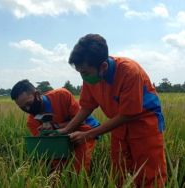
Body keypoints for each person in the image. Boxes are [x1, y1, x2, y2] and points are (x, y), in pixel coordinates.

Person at [58, 34, 167, 187]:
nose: (83, 77)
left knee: (150, 176)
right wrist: (67, 129)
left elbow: (129, 113)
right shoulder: (91, 77)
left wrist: (88, 134)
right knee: (118, 174)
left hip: (145, 125)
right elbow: (87, 106)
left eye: (86, 73)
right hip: (118, 126)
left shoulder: (129, 71)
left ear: (102, 66)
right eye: (80, 72)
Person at [10, 79, 99, 173]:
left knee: (79, 167)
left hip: (83, 130)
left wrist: (56, 126)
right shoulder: (32, 122)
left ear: (36, 94)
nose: (28, 109)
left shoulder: (61, 95)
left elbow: (81, 120)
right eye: (23, 107)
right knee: (58, 167)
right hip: (59, 139)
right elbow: (48, 146)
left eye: (29, 104)